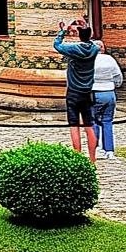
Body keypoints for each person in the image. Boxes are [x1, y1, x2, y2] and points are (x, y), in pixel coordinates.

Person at [52, 18, 101, 164]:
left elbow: (57, 45)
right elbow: (93, 42)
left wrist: (63, 30)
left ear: (79, 36)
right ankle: (92, 160)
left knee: (74, 126)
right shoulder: (94, 49)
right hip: (87, 92)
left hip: (73, 92)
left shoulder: (74, 49)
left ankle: (78, 158)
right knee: (89, 126)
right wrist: (85, 27)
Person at [91, 48, 123, 161]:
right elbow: (118, 76)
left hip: (93, 92)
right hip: (109, 93)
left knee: (93, 121)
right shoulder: (109, 59)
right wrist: (116, 85)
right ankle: (109, 151)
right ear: (103, 49)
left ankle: (95, 149)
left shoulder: (89, 59)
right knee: (107, 121)